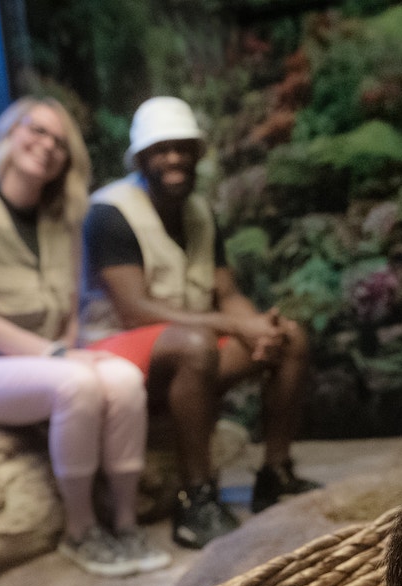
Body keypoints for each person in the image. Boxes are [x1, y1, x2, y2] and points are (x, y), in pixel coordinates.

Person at [0, 95, 170, 577]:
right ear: (9, 134)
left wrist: (67, 348)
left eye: (60, 141)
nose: (47, 145)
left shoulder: (65, 220)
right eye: (36, 130)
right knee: (74, 384)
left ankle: (125, 520)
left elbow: (68, 312)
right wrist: (59, 357)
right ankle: (79, 530)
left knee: (121, 378)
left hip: (47, 359)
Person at [82, 95, 319, 549]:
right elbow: (134, 310)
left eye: (182, 147)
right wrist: (233, 327)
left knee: (290, 337)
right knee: (197, 345)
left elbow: (226, 293)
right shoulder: (109, 213)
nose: (173, 158)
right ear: (142, 158)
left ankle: (274, 474)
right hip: (119, 358)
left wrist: (258, 328)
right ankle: (197, 499)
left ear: (197, 154)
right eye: (160, 149)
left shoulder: (199, 212)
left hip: (192, 345)